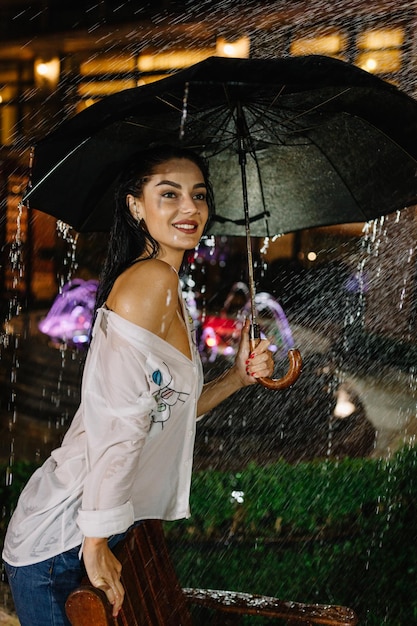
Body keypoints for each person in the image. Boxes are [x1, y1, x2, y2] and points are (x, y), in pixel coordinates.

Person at [2, 144, 274, 626]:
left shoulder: (165, 283)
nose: (190, 208)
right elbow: (121, 425)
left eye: (199, 195)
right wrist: (96, 541)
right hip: (61, 542)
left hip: (82, 531)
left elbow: (163, 413)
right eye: (169, 194)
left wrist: (235, 378)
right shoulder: (151, 281)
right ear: (135, 205)